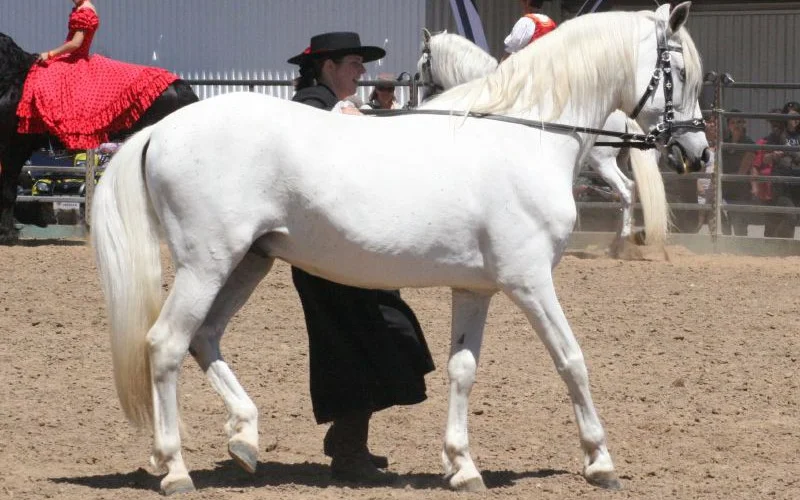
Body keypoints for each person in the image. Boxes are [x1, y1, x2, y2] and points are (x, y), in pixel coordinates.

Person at [286, 31, 434, 484]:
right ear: (328, 66)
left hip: (348, 253)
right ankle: (348, 451)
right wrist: (343, 120)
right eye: (354, 63)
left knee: (376, 336)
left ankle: (348, 440)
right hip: (325, 257)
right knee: (356, 344)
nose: (362, 72)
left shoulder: (331, 105)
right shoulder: (311, 106)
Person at [16, 0, 179, 150]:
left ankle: (62, 130)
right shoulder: (80, 8)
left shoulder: (85, 11)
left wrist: (50, 54)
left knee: (49, 80)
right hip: (73, 57)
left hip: (76, 57)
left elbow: (75, 43)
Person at [759, 101, 800, 237]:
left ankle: (782, 246)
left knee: (790, 217)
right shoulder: (777, 135)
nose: (793, 120)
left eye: (796, 116)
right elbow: (764, 159)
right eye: (790, 116)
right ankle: (779, 245)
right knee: (790, 215)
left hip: (797, 183)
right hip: (782, 184)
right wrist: (773, 155)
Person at [719, 110, 755, 235]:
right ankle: (726, 249)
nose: (736, 125)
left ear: (744, 124)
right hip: (724, 188)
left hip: (740, 190)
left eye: (739, 122)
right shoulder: (723, 142)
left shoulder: (749, 143)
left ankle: (741, 249)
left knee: (739, 223)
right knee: (723, 223)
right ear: (728, 125)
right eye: (733, 122)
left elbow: (742, 171)